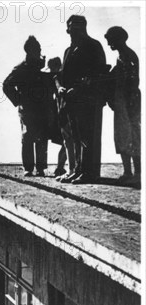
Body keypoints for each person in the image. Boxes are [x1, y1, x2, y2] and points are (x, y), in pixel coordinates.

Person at [55, 15, 108, 184]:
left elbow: (99, 74)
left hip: (88, 100)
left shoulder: (94, 46)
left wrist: (77, 89)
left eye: (77, 28)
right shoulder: (68, 51)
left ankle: (89, 173)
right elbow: (61, 75)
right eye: (71, 28)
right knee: (76, 137)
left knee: (88, 138)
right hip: (71, 102)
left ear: (84, 27)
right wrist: (60, 87)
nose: (72, 31)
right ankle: (77, 170)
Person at [3, 35, 50, 177]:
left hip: (41, 107)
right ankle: (29, 168)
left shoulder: (41, 67)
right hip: (28, 109)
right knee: (28, 136)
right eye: (37, 49)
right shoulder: (20, 68)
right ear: (29, 51)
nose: (39, 52)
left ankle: (41, 168)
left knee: (42, 136)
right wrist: (19, 100)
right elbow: (7, 85)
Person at [104, 26, 141, 186]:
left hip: (129, 101)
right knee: (121, 137)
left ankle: (138, 173)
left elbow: (133, 81)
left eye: (110, 40)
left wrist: (129, 100)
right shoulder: (121, 56)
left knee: (133, 136)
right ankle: (127, 171)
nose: (108, 44)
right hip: (121, 101)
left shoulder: (128, 56)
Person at [45, 57, 70, 177]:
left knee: (66, 142)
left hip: (59, 113)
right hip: (62, 113)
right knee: (67, 141)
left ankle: (61, 167)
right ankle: (60, 167)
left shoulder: (54, 77)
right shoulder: (58, 77)